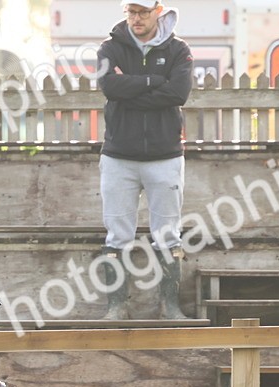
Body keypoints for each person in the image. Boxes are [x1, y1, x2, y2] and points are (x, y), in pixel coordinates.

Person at [97, 0, 193, 320]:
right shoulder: (110, 48)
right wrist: (154, 80)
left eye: (143, 12)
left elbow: (179, 92)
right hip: (118, 156)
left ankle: (170, 306)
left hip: (165, 155)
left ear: (158, 12)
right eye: (131, 12)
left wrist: (131, 88)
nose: (136, 19)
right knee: (117, 233)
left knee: (168, 233)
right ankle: (116, 307)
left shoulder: (178, 50)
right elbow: (109, 85)